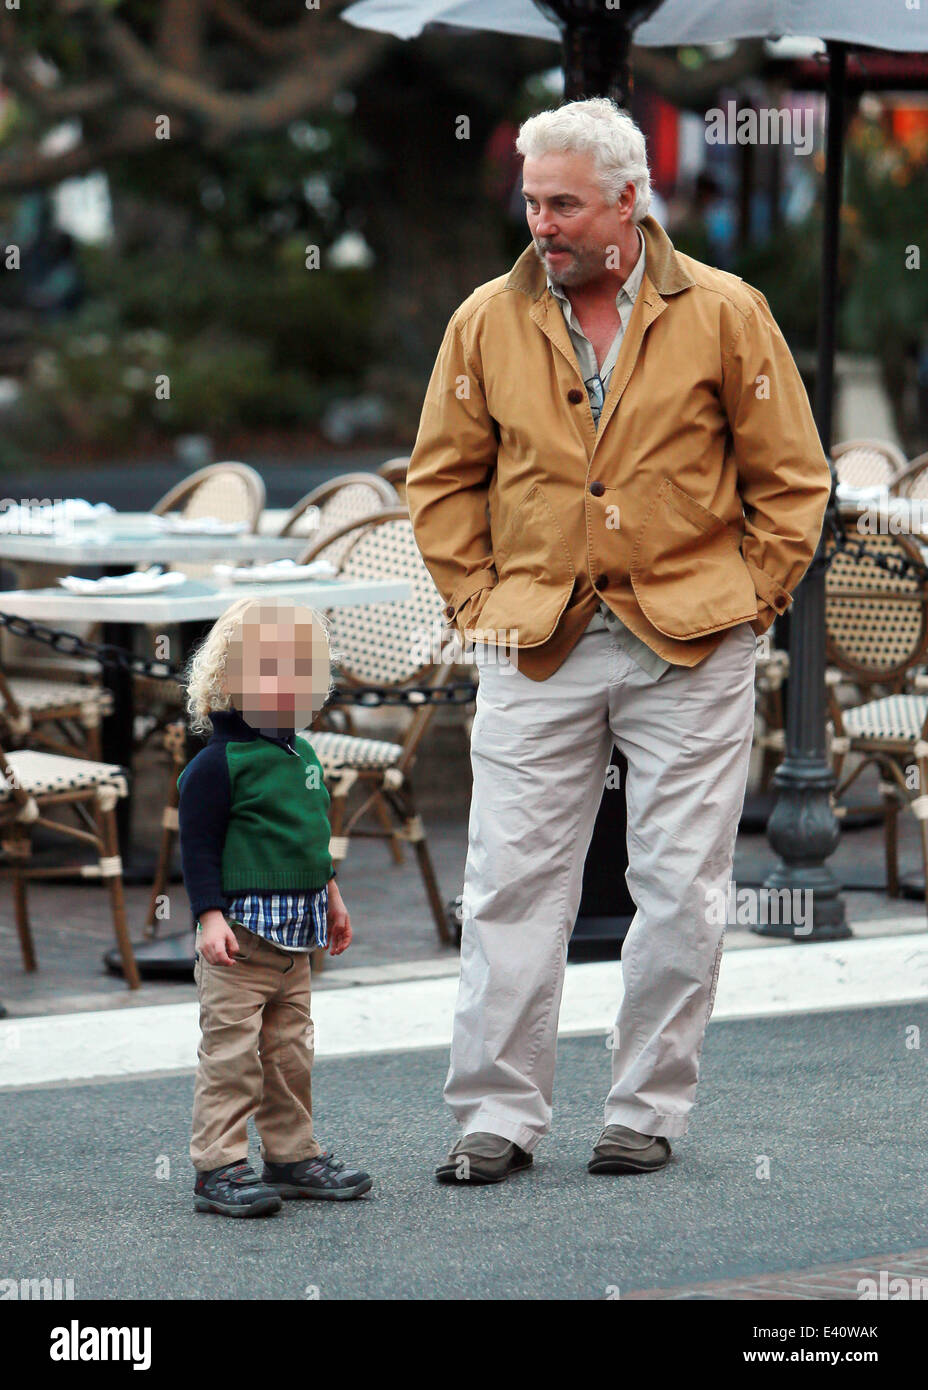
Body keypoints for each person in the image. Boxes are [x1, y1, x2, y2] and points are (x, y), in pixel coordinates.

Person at [405, 97, 832, 1186]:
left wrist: (752, 598)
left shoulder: (728, 312)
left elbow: (792, 479)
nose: (540, 222)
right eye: (531, 199)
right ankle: (495, 1116)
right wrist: (475, 600)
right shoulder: (483, 321)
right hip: (533, 636)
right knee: (507, 882)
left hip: (692, 639)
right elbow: (441, 480)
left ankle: (644, 1106)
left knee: (679, 885)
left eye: (563, 203)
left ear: (628, 202)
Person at [177, 596, 372, 1216]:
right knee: (232, 1058)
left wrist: (333, 895)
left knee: (289, 1055)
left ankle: (290, 1155)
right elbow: (199, 848)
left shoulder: (303, 757)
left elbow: (311, 838)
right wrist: (208, 917)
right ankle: (219, 1166)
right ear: (230, 680)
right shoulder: (218, 765)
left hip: (297, 943)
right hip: (239, 942)